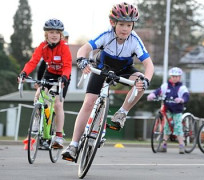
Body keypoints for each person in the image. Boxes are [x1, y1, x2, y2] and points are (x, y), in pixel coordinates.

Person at [61, 2, 154, 161]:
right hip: (102, 68)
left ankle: (122, 113)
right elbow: (84, 49)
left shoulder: (135, 40)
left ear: (133, 26)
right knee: (89, 102)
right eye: (122, 24)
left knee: (140, 83)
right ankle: (73, 145)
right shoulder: (106, 34)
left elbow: (149, 65)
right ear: (113, 23)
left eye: (129, 25)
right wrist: (82, 60)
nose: (125, 29)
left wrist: (146, 80)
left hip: (124, 69)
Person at [18, 18, 72, 149]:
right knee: (38, 95)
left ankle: (58, 136)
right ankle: (37, 121)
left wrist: (64, 77)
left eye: (57, 33)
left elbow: (68, 64)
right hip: (50, 72)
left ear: (61, 35)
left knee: (58, 104)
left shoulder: (64, 47)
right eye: (51, 32)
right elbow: (33, 61)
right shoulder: (42, 46)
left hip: (63, 76)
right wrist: (24, 73)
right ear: (46, 34)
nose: (54, 35)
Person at [147, 67, 190, 154]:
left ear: (179, 77)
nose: (174, 78)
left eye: (176, 76)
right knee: (166, 127)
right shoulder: (165, 86)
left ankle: (181, 145)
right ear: (170, 77)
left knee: (178, 127)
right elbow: (158, 91)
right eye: (173, 76)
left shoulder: (182, 87)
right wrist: (152, 94)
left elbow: (186, 96)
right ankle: (164, 145)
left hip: (177, 110)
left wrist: (181, 99)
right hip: (168, 110)